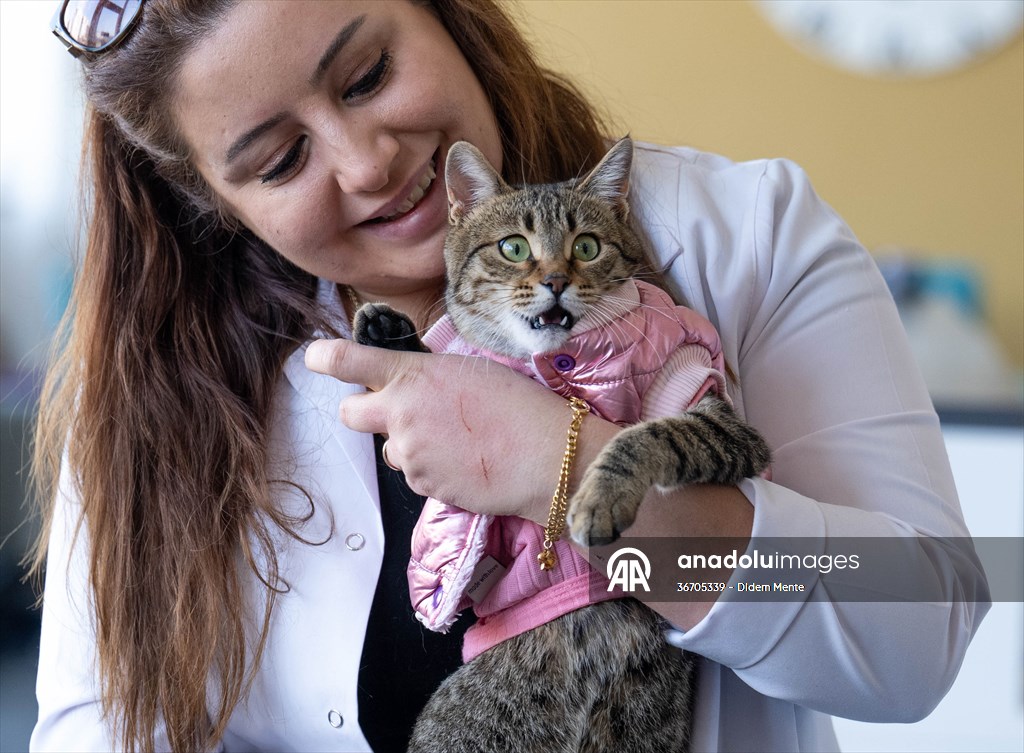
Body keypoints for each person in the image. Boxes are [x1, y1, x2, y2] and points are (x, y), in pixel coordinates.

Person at [30, 1, 988, 751]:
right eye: (281, 160)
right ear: (217, 200)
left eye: (368, 75)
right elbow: (96, 728)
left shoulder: (746, 237)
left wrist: (564, 463)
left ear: (449, 14)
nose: (368, 164)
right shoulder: (152, 378)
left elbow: (921, 624)